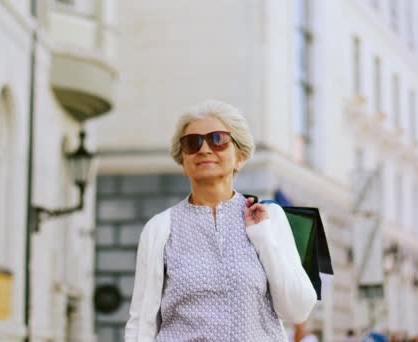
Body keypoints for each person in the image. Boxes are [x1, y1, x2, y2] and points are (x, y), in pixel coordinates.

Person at [125, 100, 317, 341]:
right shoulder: (160, 228)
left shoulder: (269, 218)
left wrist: (263, 239)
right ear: (183, 162)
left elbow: (297, 310)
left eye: (218, 139)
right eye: (192, 143)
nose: (205, 149)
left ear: (239, 156)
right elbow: (141, 322)